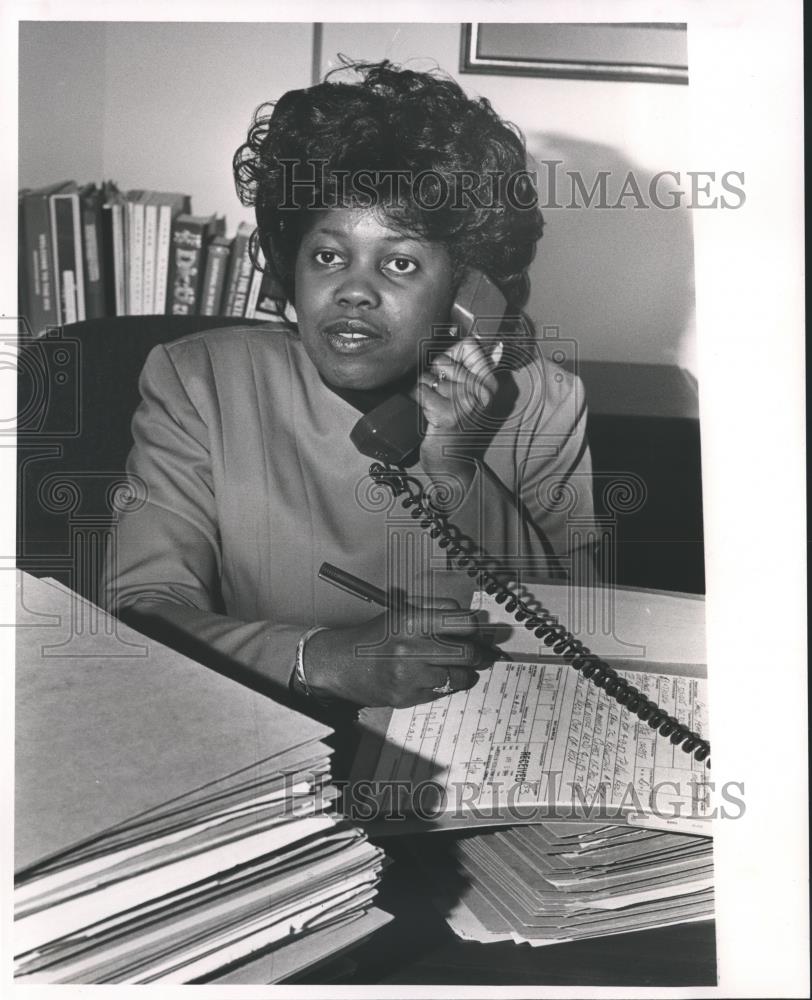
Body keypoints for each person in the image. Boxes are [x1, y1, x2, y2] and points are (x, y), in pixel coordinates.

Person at [104, 60, 594, 714]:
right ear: (291, 266)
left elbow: (588, 641)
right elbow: (143, 614)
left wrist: (457, 471)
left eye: (399, 262)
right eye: (328, 256)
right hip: (268, 736)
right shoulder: (201, 384)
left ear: (467, 290)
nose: (355, 290)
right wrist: (321, 658)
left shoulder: (545, 406)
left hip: (490, 747)